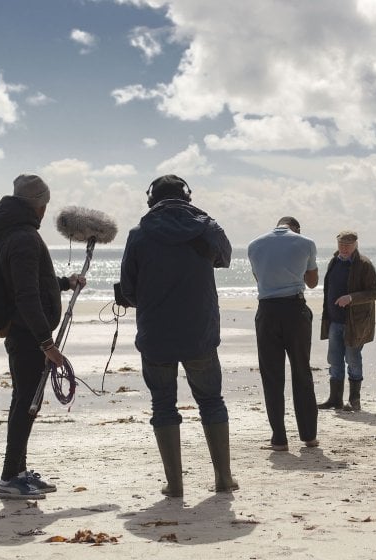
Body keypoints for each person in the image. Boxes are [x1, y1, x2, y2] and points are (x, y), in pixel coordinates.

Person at [119, 174, 238, 497]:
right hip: (199, 330)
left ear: (150, 200)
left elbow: (128, 290)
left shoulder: (139, 235)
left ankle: (175, 484)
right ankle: (223, 479)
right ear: (187, 196)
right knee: (211, 401)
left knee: (163, 404)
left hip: (155, 333)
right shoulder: (207, 227)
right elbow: (225, 259)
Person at [0, 174, 85, 500]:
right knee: (25, 404)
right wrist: (48, 344)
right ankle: (8, 477)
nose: (46, 209)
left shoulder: (12, 232)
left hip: (25, 332)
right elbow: (26, 295)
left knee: (27, 401)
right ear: (38, 204)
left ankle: (19, 470)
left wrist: (64, 283)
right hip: (27, 335)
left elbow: (29, 282)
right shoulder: (24, 238)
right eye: (44, 203)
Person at [247, 216, 319, 451]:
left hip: (267, 311)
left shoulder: (254, 245)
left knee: (272, 376)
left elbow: (258, 278)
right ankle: (308, 435)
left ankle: (279, 438)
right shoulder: (305, 242)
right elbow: (312, 282)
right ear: (296, 228)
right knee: (302, 372)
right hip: (295, 309)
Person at [318, 230, 376, 411]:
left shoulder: (364, 265)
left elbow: (374, 293)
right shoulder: (334, 261)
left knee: (353, 359)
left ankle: (355, 400)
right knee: (334, 360)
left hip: (355, 323)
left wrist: (351, 298)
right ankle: (335, 400)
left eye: (348, 245)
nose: (344, 248)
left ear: (356, 245)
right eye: (341, 245)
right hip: (334, 321)